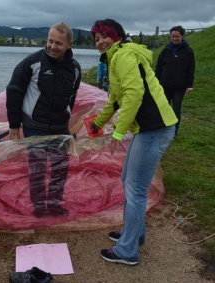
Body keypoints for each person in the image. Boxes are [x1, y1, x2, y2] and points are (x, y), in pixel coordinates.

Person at [89, 19, 178, 265]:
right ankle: (134, 233)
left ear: (116, 36)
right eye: (96, 39)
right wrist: (98, 123)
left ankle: (127, 251)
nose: (100, 42)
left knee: (136, 189)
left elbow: (134, 94)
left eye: (104, 36)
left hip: (155, 130)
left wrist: (118, 132)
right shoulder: (116, 57)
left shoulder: (123, 55)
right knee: (128, 179)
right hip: (149, 130)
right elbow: (116, 99)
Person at [6, 22, 81, 218]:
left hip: (59, 127)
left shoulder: (75, 68)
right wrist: (14, 124)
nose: (53, 46)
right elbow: (14, 90)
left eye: (58, 43)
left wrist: (66, 119)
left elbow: (71, 97)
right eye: (50, 41)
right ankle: (39, 206)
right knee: (38, 168)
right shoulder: (32, 62)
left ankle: (55, 204)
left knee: (60, 168)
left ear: (69, 45)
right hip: (34, 126)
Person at [155, 25, 195, 140]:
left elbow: (191, 69)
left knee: (176, 109)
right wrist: (156, 82)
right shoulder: (166, 50)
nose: (175, 39)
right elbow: (159, 67)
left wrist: (190, 85)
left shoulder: (188, 51)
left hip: (179, 86)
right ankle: (163, 129)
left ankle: (174, 132)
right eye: (172, 36)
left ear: (182, 36)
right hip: (165, 84)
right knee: (164, 107)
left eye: (177, 36)